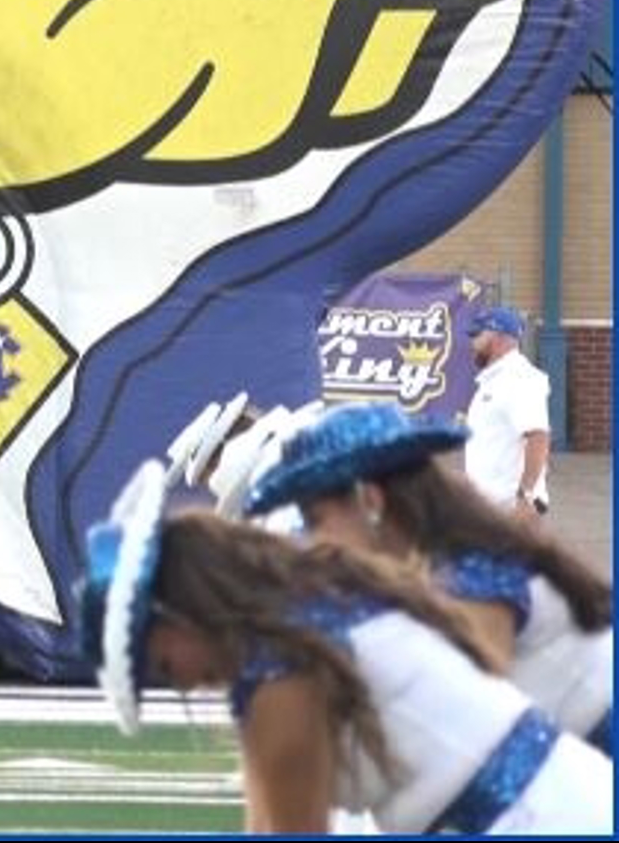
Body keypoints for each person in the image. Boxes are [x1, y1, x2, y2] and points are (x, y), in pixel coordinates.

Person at [81, 460, 612, 834]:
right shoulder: (292, 626)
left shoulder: (282, 666)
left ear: (178, 615)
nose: (184, 685)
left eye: (165, 666)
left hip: (545, 819)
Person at [242, 401, 612, 751]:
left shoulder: (474, 572)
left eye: (315, 520)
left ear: (371, 501)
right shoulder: (454, 555)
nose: (314, 541)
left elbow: (466, 714)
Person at [463, 305, 551, 516]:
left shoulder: (519, 379)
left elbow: (538, 437)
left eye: (477, 335)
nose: (472, 344)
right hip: (488, 509)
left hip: (509, 512)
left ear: (499, 338)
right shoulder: (495, 380)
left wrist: (525, 497)